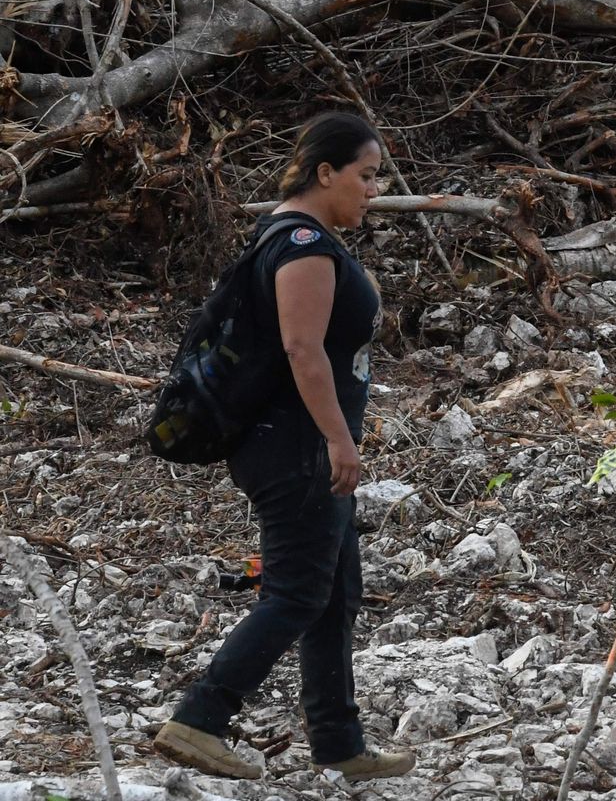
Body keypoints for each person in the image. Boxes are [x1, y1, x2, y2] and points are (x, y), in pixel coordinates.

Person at [154, 112, 414, 782]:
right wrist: (338, 440)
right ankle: (199, 719)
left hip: (300, 444)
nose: (372, 190)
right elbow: (303, 350)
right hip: (298, 446)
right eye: (365, 175)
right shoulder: (302, 245)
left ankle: (339, 743)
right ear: (326, 173)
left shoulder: (298, 237)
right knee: (297, 592)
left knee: (334, 592)